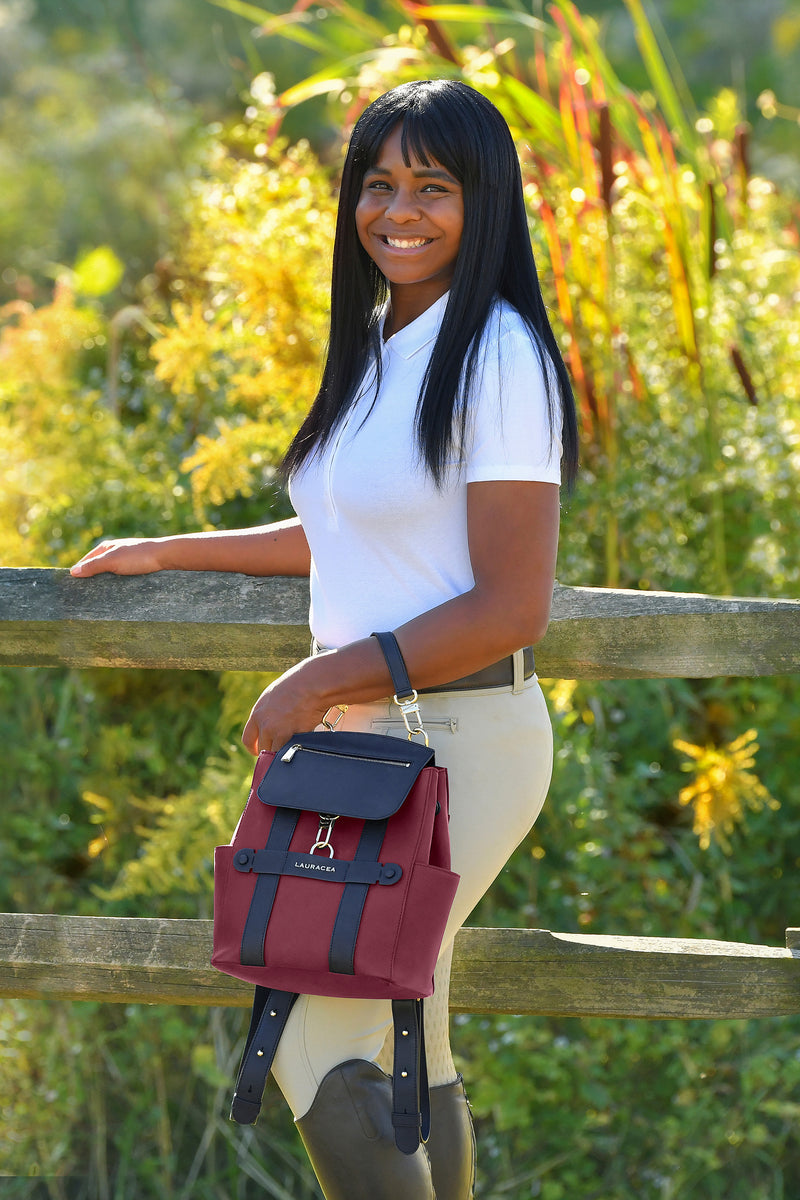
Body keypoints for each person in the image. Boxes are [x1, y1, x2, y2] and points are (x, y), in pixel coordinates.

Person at [71, 79, 578, 1200]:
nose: (398, 209)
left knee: (314, 1036)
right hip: (374, 745)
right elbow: (348, 531)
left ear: (480, 201)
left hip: (460, 739)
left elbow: (511, 604)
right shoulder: (384, 337)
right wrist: (171, 548)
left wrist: (314, 679)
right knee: (410, 1038)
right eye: (379, 183)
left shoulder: (495, 355)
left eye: (431, 187)